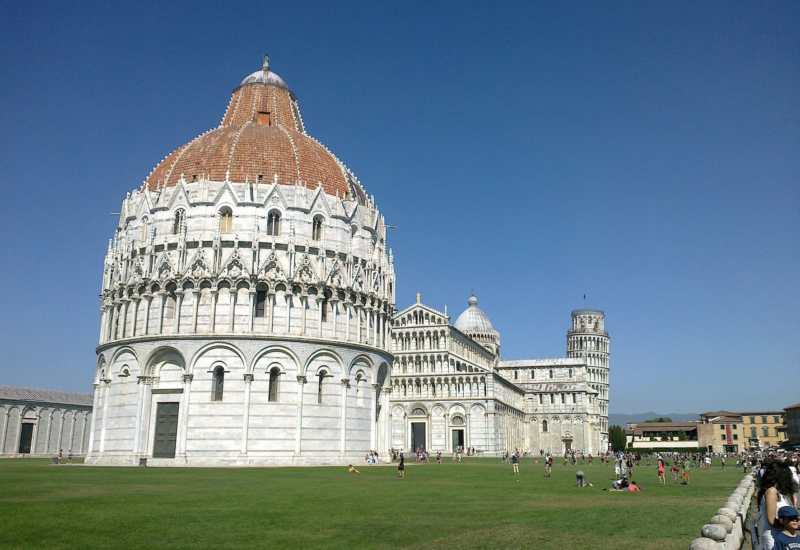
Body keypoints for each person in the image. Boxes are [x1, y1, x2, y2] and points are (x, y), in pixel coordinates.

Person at [758, 461, 799, 549]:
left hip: (783, 534)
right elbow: (772, 520)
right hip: (774, 536)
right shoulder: (771, 491)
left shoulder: (779, 492)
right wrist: (793, 524)